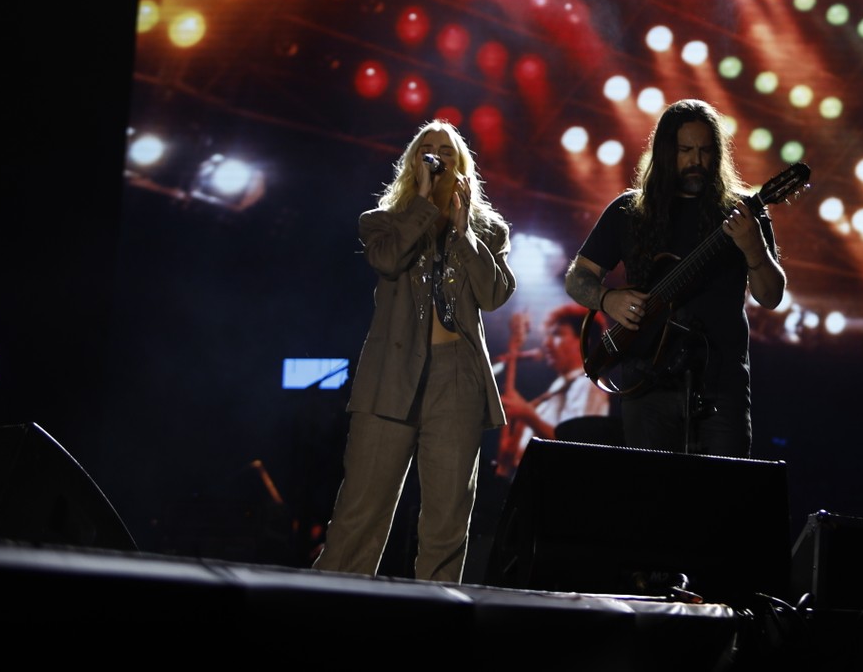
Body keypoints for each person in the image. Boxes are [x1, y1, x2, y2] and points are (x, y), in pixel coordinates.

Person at [315, 120, 515, 581]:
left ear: (462, 164)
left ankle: (435, 625)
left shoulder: (489, 230)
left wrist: (465, 232)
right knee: (360, 510)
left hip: (458, 379)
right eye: (427, 148)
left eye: (447, 149)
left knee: (447, 519)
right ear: (413, 162)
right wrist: (424, 204)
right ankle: (326, 611)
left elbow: (494, 295)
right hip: (391, 374)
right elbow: (388, 261)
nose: (438, 154)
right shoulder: (383, 221)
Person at [564, 99, 785, 456]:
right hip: (646, 385)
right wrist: (609, 299)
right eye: (685, 150)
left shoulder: (743, 213)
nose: (697, 161)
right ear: (665, 152)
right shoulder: (628, 210)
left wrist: (754, 249)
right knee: (652, 503)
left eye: (705, 150)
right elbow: (578, 278)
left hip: (720, 387)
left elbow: (771, 296)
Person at [499, 304, 615, 468]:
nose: (546, 343)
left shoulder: (587, 385)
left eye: (557, 334)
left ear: (583, 341)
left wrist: (528, 415)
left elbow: (576, 447)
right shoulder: (558, 389)